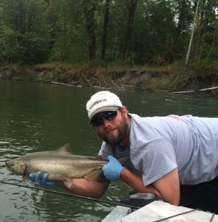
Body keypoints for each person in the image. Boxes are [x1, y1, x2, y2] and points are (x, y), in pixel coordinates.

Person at [30, 91, 218, 213]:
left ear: (125, 112)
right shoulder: (110, 146)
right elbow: (95, 190)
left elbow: (171, 201)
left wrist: (123, 174)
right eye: (98, 121)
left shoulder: (150, 142)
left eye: (110, 115)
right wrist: (59, 180)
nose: (106, 124)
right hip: (193, 165)